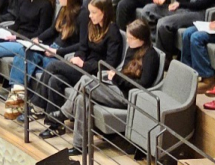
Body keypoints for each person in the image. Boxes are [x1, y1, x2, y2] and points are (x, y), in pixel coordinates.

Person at [62, 19, 160, 154]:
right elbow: (124, 72)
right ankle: (80, 145)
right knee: (81, 99)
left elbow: (144, 84)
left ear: (141, 39)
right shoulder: (132, 49)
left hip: (127, 96)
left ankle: (64, 112)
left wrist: (118, 78)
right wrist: (115, 75)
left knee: (85, 81)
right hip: (116, 87)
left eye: (131, 38)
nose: (128, 41)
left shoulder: (151, 56)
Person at [36, 0, 124, 138]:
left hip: (93, 73)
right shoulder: (92, 26)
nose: (90, 16)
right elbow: (83, 47)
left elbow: (109, 64)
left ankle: (37, 105)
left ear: (104, 13)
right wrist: (78, 56)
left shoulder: (113, 31)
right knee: (55, 80)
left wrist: (84, 64)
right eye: (90, 12)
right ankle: (55, 125)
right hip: (83, 67)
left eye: (94, 12)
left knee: (53, 66)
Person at [5, 0, 83, 120]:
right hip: (51, 47)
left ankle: (34, 106)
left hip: (62, 54)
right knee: (26, 51)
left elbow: (81, 45)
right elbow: (53, 30)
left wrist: (57, 52)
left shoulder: (82, 15)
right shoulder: (63, 10)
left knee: (36, 63)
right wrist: (38, 39)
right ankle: (17, 92)